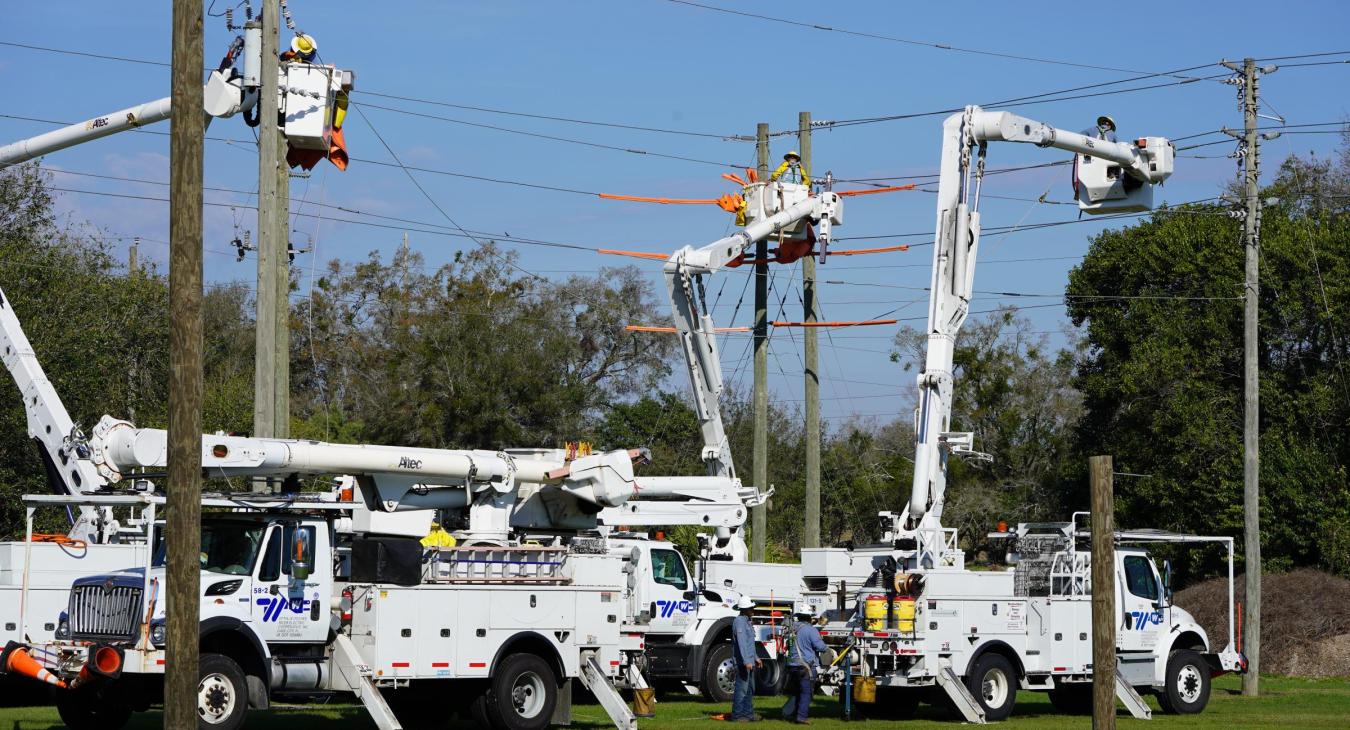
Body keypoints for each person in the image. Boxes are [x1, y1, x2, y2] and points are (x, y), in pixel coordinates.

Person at [780, 606, 828, 725]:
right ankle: (801, 717)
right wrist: (827, 648)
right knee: (806, 693)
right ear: (808, 617)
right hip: (805, 666)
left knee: (797, 691)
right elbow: (821, 647)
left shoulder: (792, 628)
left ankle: (794, 714)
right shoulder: (811, 630)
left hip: (792, 664)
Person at [730, 595, 761, 722]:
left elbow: (749, 644)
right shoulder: (739, 622)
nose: (753, 610)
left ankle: (748, 714)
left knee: (749, 689)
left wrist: (756, 658)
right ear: (744, 609)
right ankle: (737, 716)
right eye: (751, 608)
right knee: (741, 690)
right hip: (743, 663)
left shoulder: (747, 621)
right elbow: (742, 643)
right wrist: (747, 661)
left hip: (749, 661)